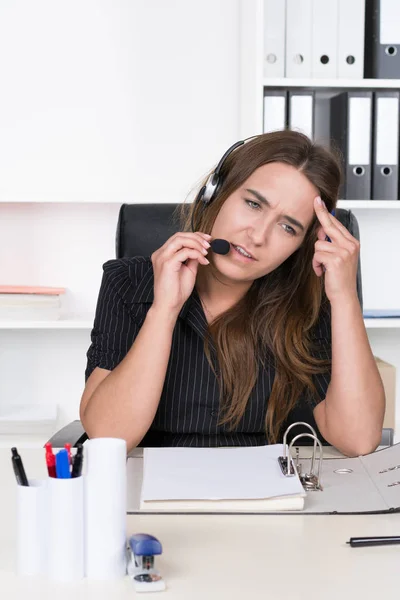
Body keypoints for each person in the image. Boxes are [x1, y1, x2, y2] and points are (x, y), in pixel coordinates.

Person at [80, 130, 385, 456]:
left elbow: (358, 439)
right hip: (151, 495)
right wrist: (164, 311)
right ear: (217, 193)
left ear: (303, 244)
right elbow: (109, 436)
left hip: (268, 497)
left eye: (288, 227)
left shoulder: (310, 302)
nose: (257, 236)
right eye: (253, 204)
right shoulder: (127, 282)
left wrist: (344, 297)